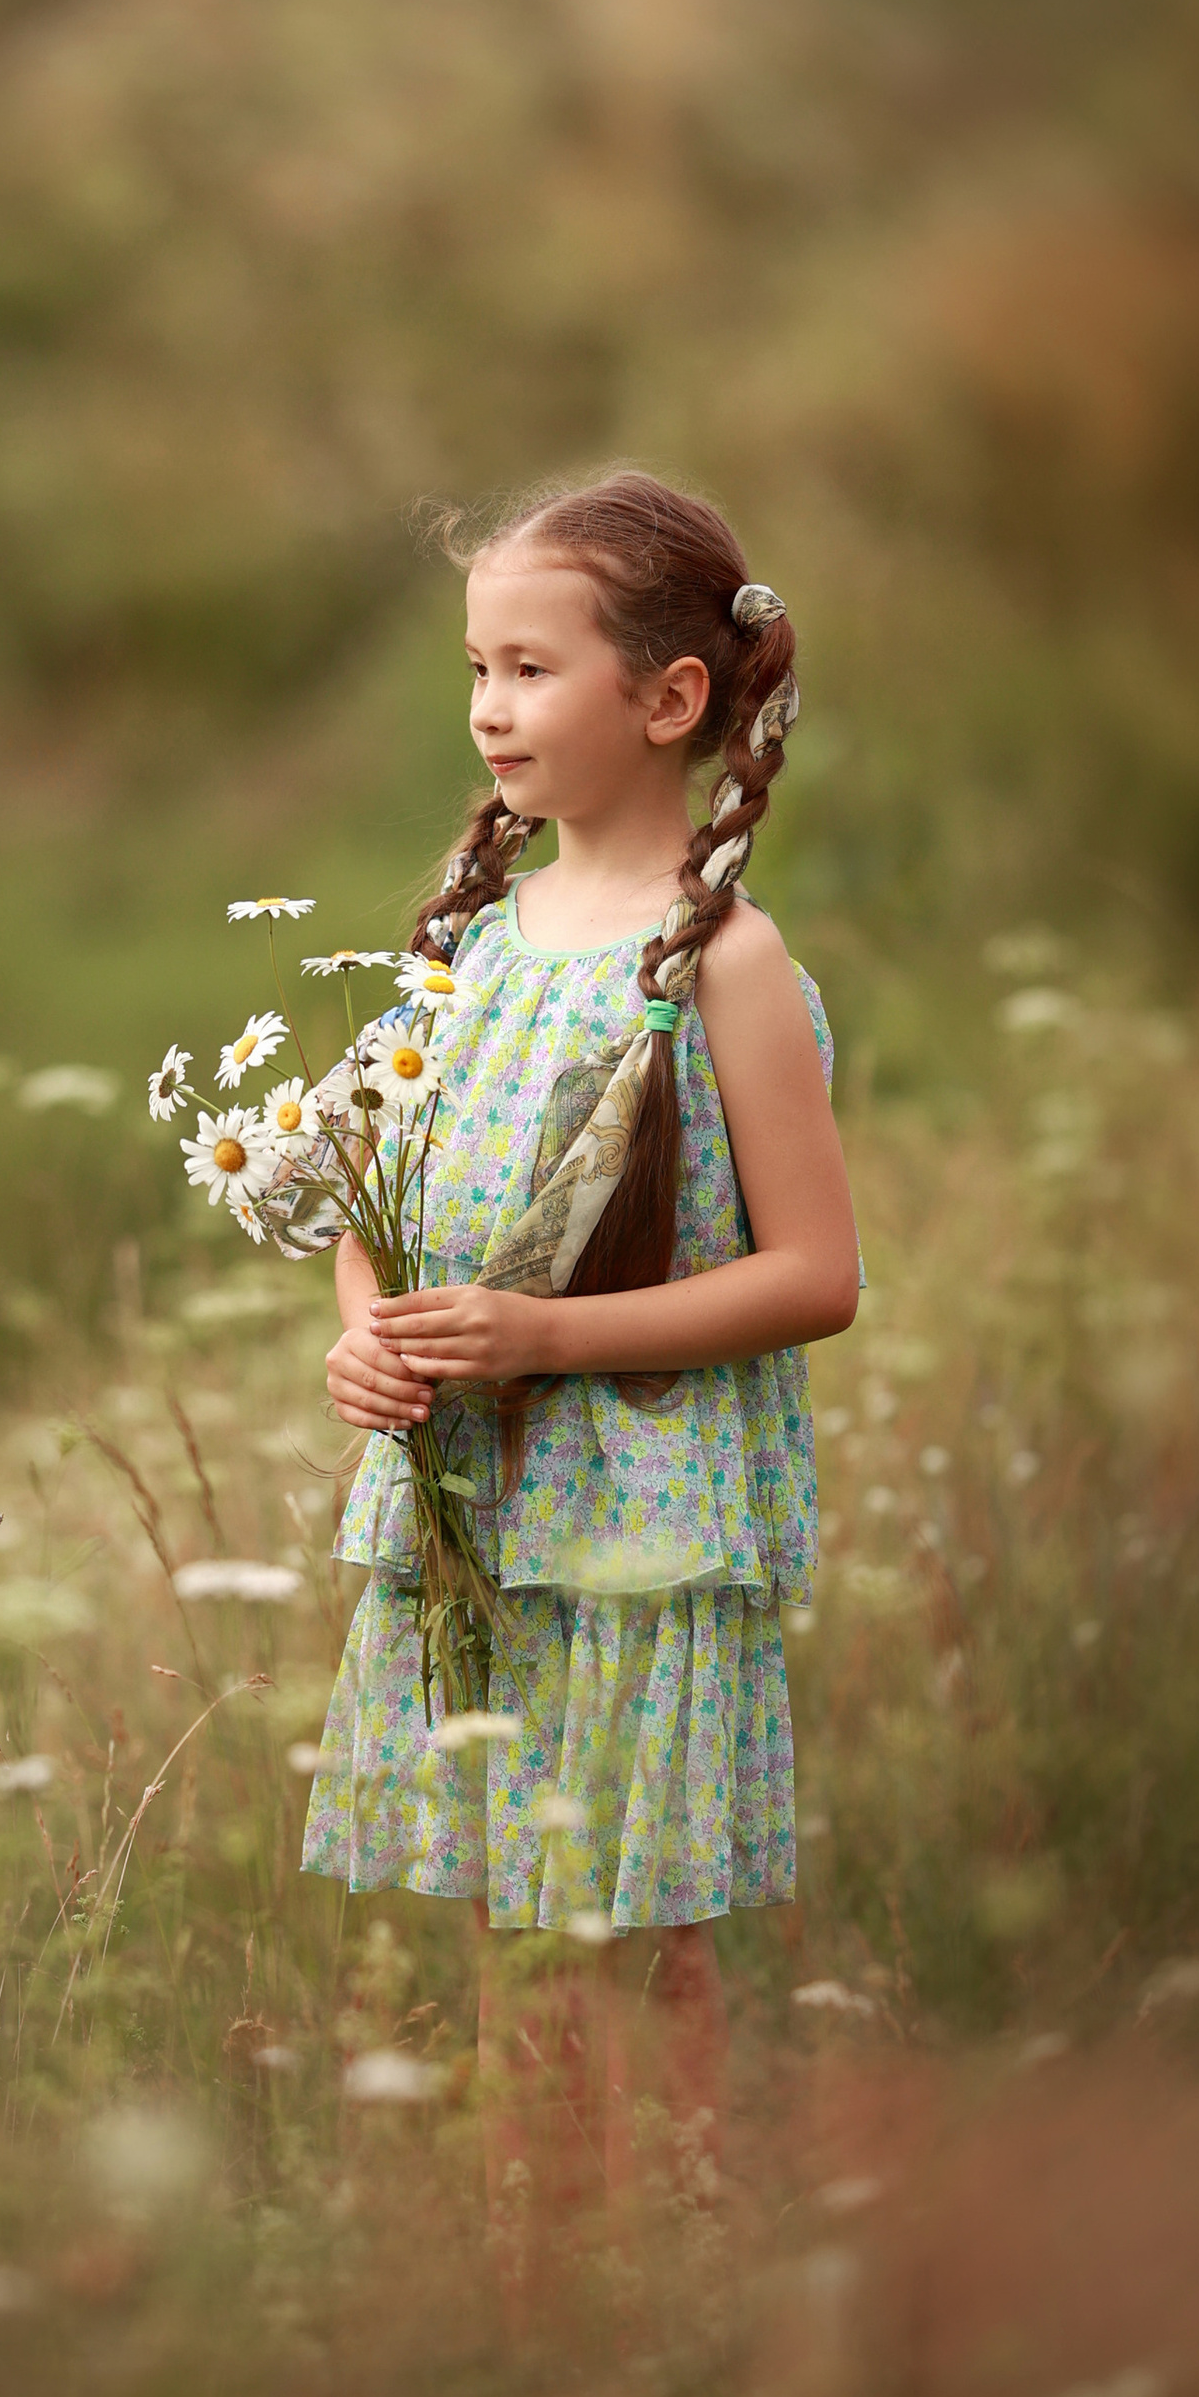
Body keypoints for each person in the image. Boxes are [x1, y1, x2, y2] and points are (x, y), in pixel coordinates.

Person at [299, 464, 860, 2255]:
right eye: (477, 669)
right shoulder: (465, 942)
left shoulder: (727, 966)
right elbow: (367, 1189)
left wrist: (548, 1335)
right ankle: (531, 2292)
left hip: (639, 1522)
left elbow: (816, 1276)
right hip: (467, 1505)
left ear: (670, 698)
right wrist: (365, 1347)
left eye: (531, 670)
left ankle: (666, 2278)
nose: (487, 708)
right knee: (505, 1929)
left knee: (630, 1939)